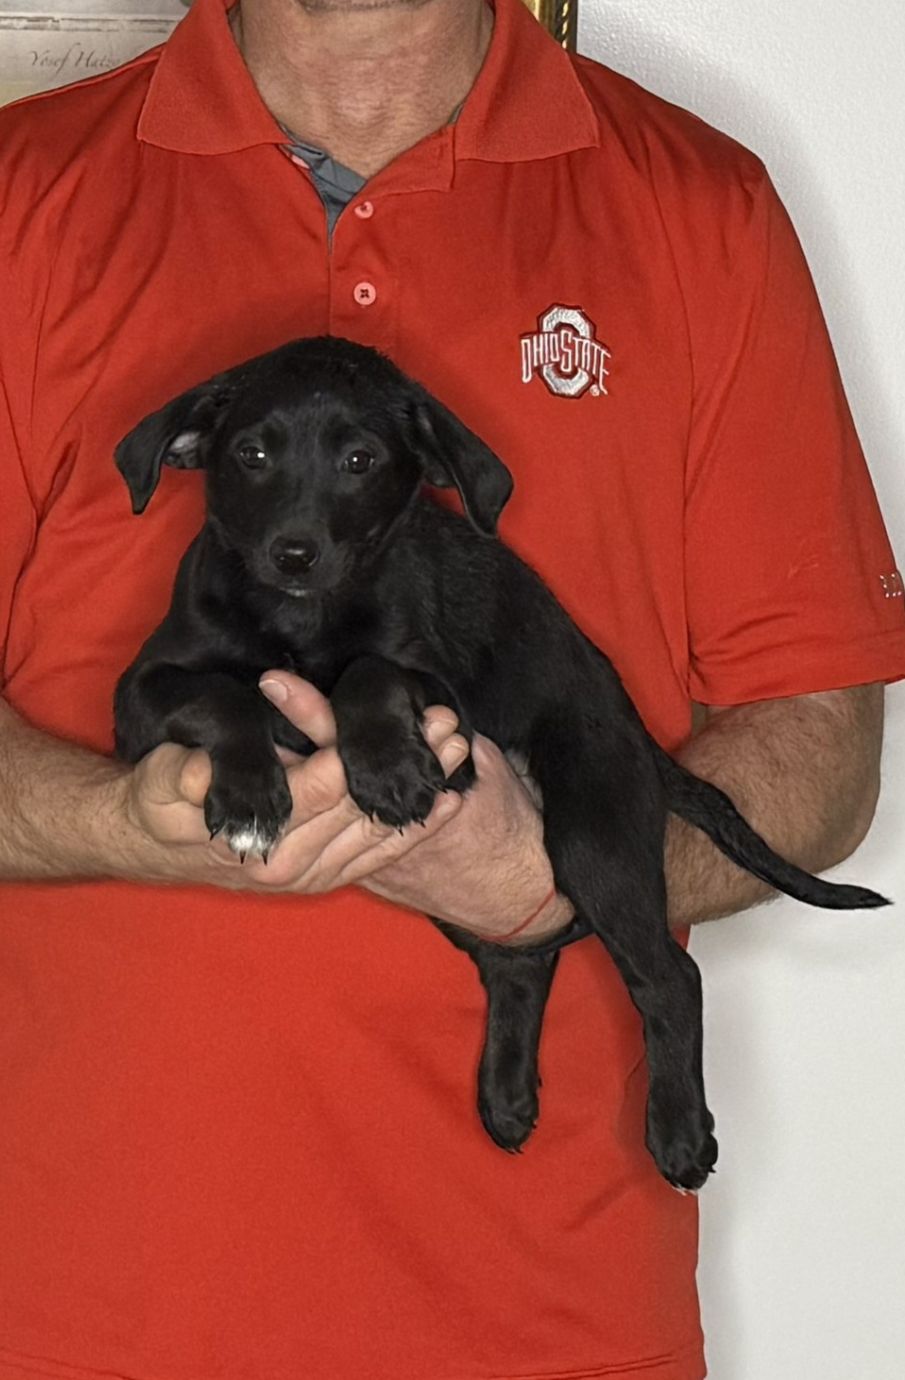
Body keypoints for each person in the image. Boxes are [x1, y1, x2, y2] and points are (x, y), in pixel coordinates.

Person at [0, 1, 902, 1376]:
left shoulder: (697, 207)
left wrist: (551, 875)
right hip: (77, 1303)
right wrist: (109, 823)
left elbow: (821, 740)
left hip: (540, 1317)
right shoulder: (22, 195)